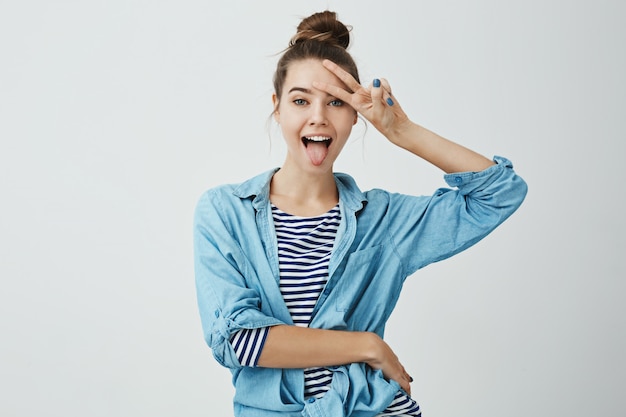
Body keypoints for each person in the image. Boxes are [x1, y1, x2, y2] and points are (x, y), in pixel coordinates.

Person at [193, 10, 527, 417]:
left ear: (355, 115)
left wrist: (402, 131)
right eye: (301, 100)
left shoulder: (384, 220)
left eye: (336, 102)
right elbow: (238, 341)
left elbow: (499, 194)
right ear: (277, 107)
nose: (318, 116)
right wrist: (366, 345)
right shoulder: (225, 213)